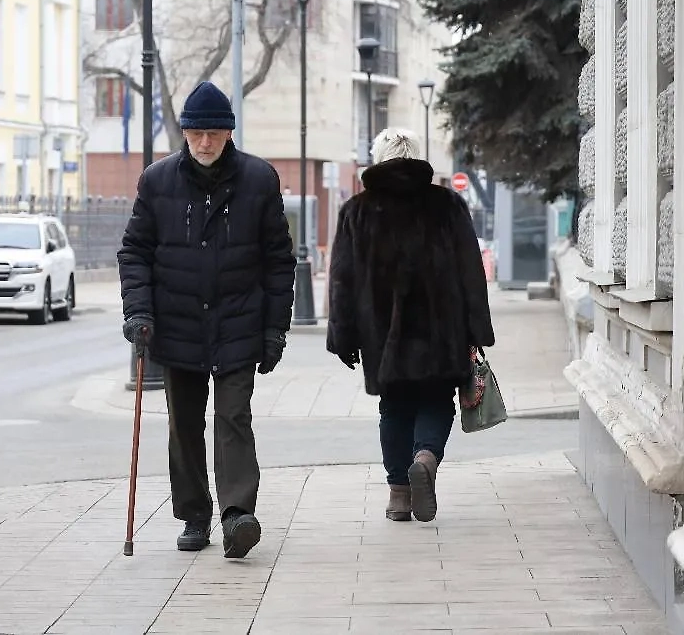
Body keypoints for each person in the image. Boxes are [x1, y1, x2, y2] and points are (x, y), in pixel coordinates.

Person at [117, 81, 296, 558]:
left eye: (214, 132)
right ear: (185, 132)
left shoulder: (259, 180)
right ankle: (195, 514)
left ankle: (237, 514)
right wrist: (138, 311)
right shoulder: (158, 182)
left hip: (238, 322)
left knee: (233, 415)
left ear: (229, 132)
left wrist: (276, 327)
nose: (205, 142)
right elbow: (134, 251)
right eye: (196, 132)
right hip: (177, 324)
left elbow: (280, 260)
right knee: (184, 423)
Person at [326, 127, 494, 523]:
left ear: (377, 159)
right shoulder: (448, 205)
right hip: (442, 330)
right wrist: (477, 330)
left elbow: (341, 281)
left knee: (394, 409)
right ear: (417, 158)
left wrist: (343, 337)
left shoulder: (357, 211)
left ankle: (399, 495)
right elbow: (472, 271)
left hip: (381, 337)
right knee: (437, 400)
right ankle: (425, 458)